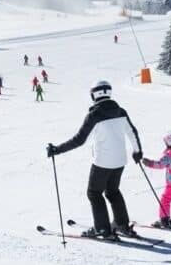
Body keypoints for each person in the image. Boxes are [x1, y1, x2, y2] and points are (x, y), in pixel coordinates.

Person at [47, 81, 143, 240]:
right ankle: (122, 225)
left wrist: (57, 149)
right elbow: (133, 132)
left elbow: (79, 140)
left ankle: (103, 229)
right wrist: (138, 151)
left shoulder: (94, 115)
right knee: (113, 191)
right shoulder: (121, 111)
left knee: (94, 193)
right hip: (120, 161)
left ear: (94, 95)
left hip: (102, 162)